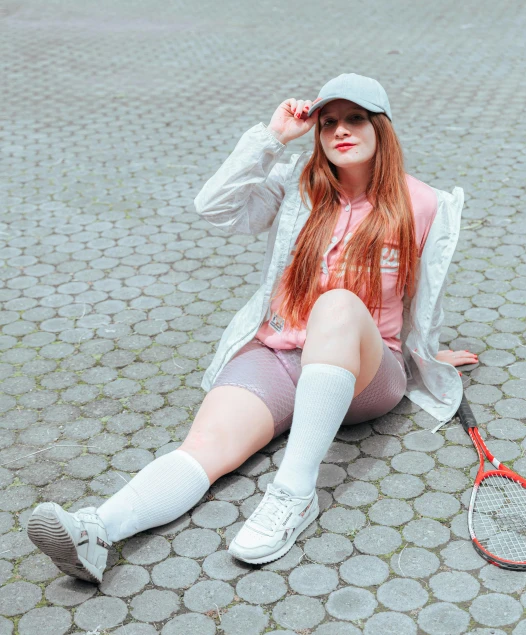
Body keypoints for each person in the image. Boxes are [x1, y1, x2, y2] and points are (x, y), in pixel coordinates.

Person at [26, 73, 477, 582]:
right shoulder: (297, 188)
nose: (340, 132)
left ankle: (293, 495)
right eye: (328, 123)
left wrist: (427, 358)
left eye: (355, 119)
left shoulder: (424, 203)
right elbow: (213, 208)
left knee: (338, 305)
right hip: (278, 354)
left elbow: (425, 297)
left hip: (367, 374)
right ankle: (97, 531)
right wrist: (272, 138)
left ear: (381, 129)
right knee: (204, 448)